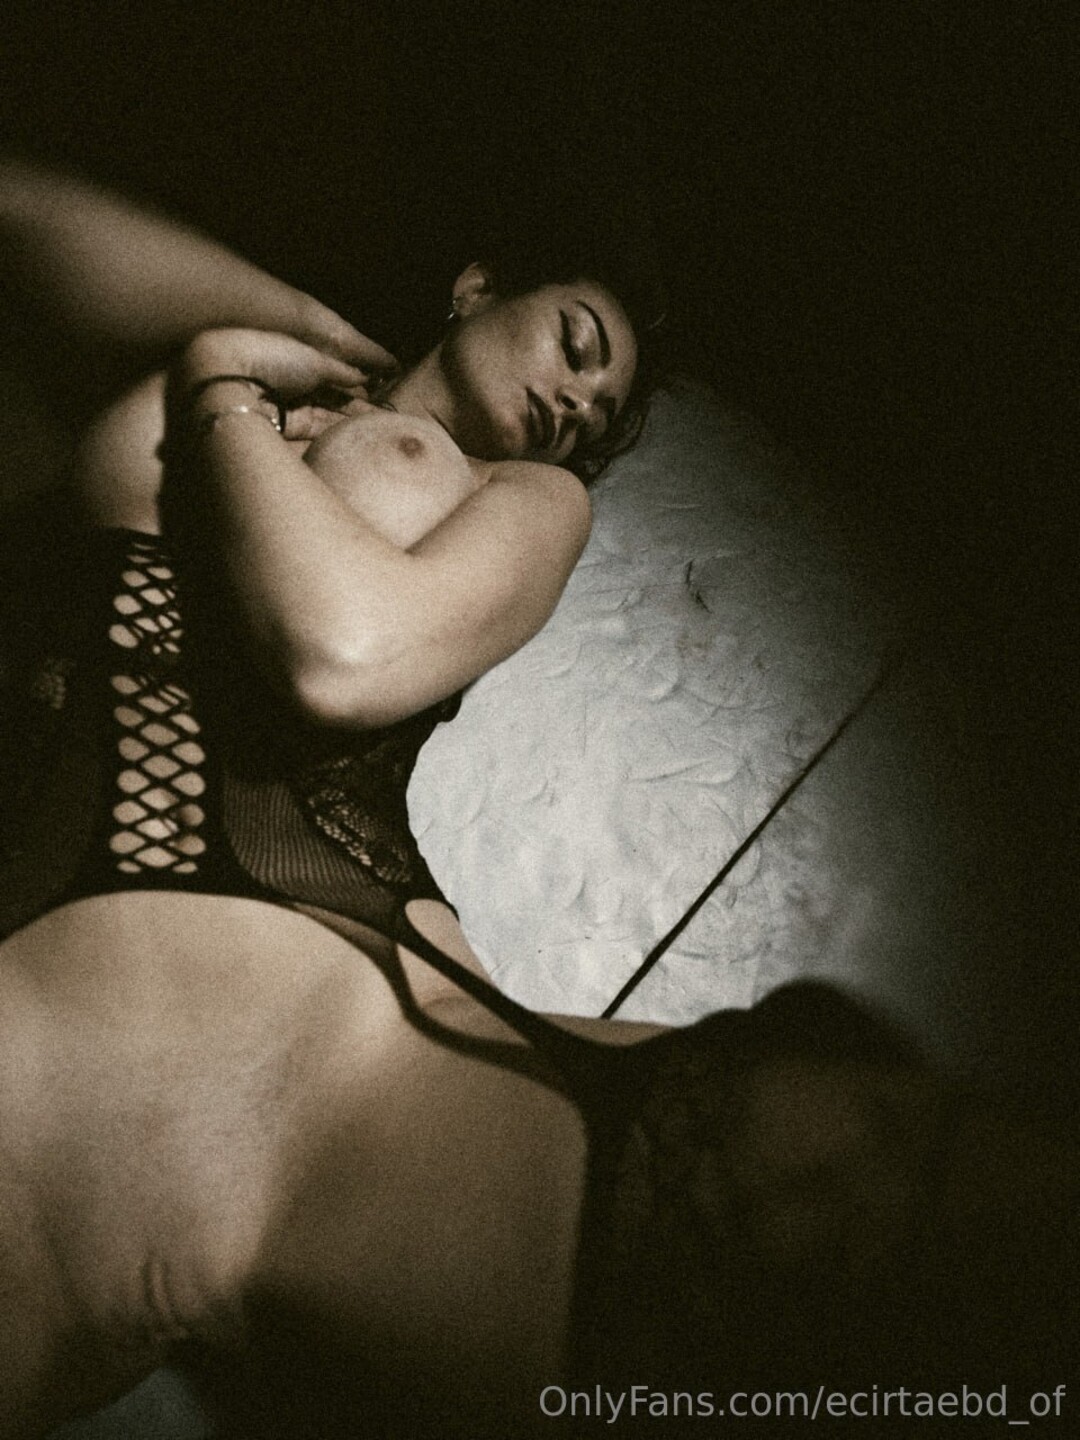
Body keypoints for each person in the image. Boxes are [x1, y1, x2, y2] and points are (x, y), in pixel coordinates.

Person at [1, 162, 1076, 1439]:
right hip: (90, 1042)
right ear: (477, 287)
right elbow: (26, 212)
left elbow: (340, 654)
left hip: (368, 1015)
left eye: (597, 415)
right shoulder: (269, 359)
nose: (579, 403)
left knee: (912, 1195)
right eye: (577, 343)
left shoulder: (520, 497)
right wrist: (294, 326)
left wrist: (222, 388)